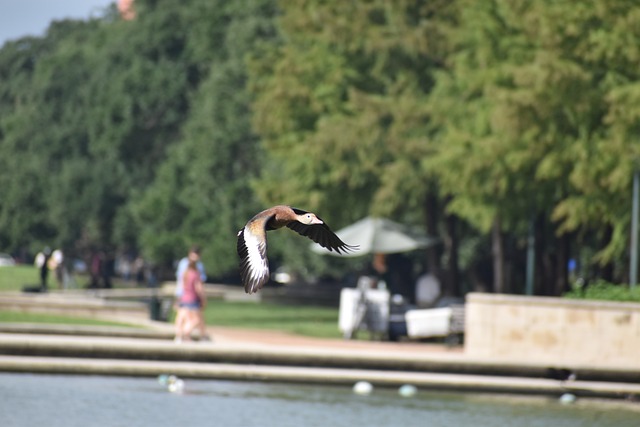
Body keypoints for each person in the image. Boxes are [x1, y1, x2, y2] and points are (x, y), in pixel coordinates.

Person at [174, 245, 209, 341]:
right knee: (194, 318)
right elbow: (199, 286)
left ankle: (180, 335)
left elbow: (181, 281)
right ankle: (185, 334)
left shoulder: (185, 267)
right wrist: (203, 298)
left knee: (184, 316)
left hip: (184, 295)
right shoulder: (195, 270)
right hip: (191, 296)